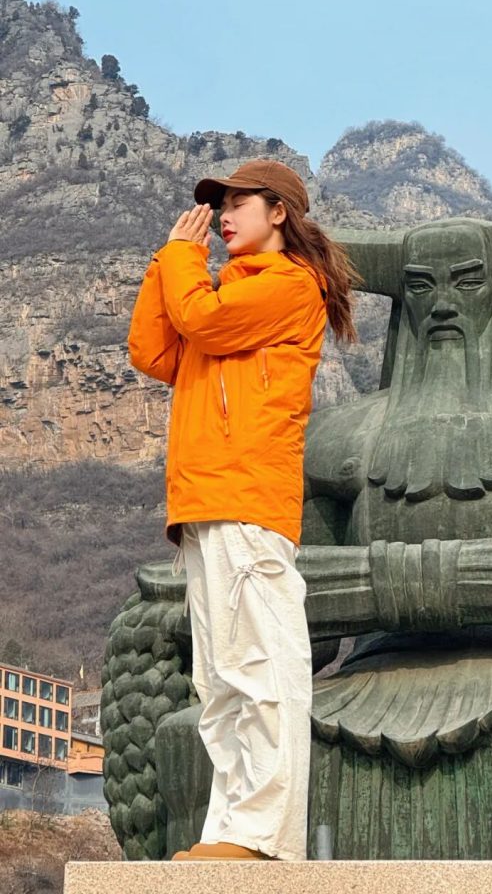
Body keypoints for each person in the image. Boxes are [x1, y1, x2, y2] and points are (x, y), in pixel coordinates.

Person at [127, 159, 357, 862]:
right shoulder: (228, 293)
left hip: (247, 500)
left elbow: (198, 318)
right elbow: (151, 350)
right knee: (221, 680)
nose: (223, 216)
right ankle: (232, 832)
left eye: (237, 203)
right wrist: (166, 262)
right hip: (206, 502)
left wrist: (182, 259)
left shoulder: (289, 285)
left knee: (262, 670)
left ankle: (264, 838)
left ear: (278, 212)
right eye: (218, 205)